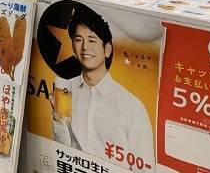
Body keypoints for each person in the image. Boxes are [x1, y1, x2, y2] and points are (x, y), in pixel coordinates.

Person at [51, 10, 155, 170]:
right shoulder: (65, 88)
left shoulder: (132, 106)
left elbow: (145, 168)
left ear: (107, 49)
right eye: (79, 40)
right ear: (73, 46)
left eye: (92, 40)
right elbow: (63, 149)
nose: (85, 47)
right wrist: (58, 119)